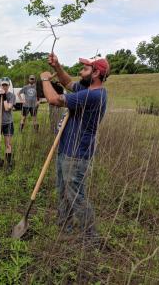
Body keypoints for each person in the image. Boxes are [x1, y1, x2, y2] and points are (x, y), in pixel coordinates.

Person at [41, 54, 109, 242]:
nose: (81, 71)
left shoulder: (92, 95)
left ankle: (91, 236)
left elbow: (54, 100)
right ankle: (65, 227)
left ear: (96, 73)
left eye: (86, 69)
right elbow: (68, 82)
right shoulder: (87, 89)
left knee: (76, 195)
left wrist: (45, 79)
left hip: (77, 154)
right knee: (63, 191)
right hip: (66, 149)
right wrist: (57, 65)